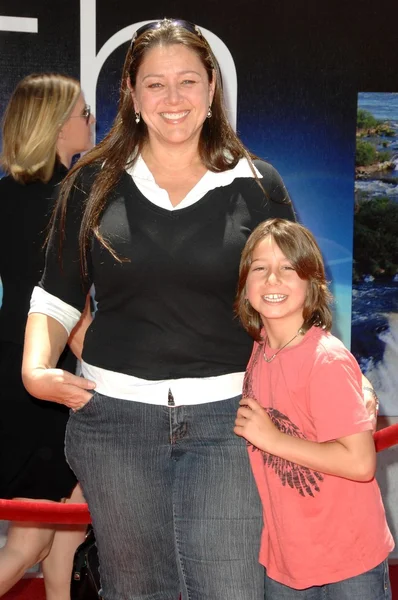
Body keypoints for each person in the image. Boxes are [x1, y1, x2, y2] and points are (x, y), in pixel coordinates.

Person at [21, 19, 296, 600]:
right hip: (115, 425)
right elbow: (58, 293)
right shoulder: (91, 182)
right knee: (136, 590)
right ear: (132, 94)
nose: (173, 100)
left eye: (188, 81)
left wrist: (336, 380)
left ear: (212, 87)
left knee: (231, 589)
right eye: (156, 85)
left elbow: (294, 299)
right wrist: (36, 368)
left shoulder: (257, 182)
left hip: (232, 422)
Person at [234, 218, 394, 599]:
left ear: (312, 286)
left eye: (288, 268)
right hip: (288, 557)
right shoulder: (261, 348)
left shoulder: (326, 361)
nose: (273, 279)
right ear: (245, 285)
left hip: (349, 560)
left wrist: (271, 439)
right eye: (260, 268)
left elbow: (360, 463)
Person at [0, 73, 95, 599]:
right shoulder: (71, 202)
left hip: (16, 375)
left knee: (67, 524)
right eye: (83, 114)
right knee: (33, 540)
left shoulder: (5, 197)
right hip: (50, 385)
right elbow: (74, 311)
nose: (91, 123)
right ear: (59, 128)